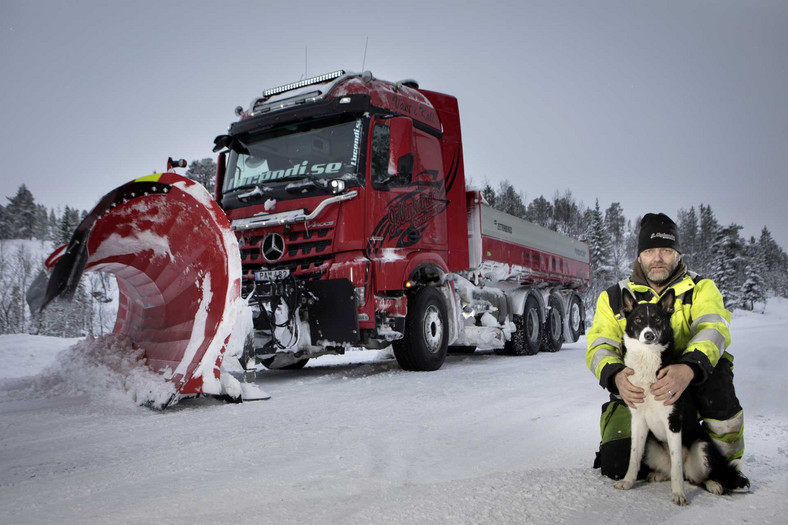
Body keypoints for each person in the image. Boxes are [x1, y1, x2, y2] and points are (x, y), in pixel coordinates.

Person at [586, 213, 747, 482]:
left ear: (677, 254)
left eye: (666, 250)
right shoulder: (615, 297)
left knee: (716, 372)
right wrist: (614, 376)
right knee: (615, 465)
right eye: (649, 251)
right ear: (639, 256)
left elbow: (713, 330)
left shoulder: (700, 288)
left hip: (690, 388)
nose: (657, 258)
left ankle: (722, 459)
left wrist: (689, 368)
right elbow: (599, 345)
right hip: (639, 394)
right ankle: (662, 458)